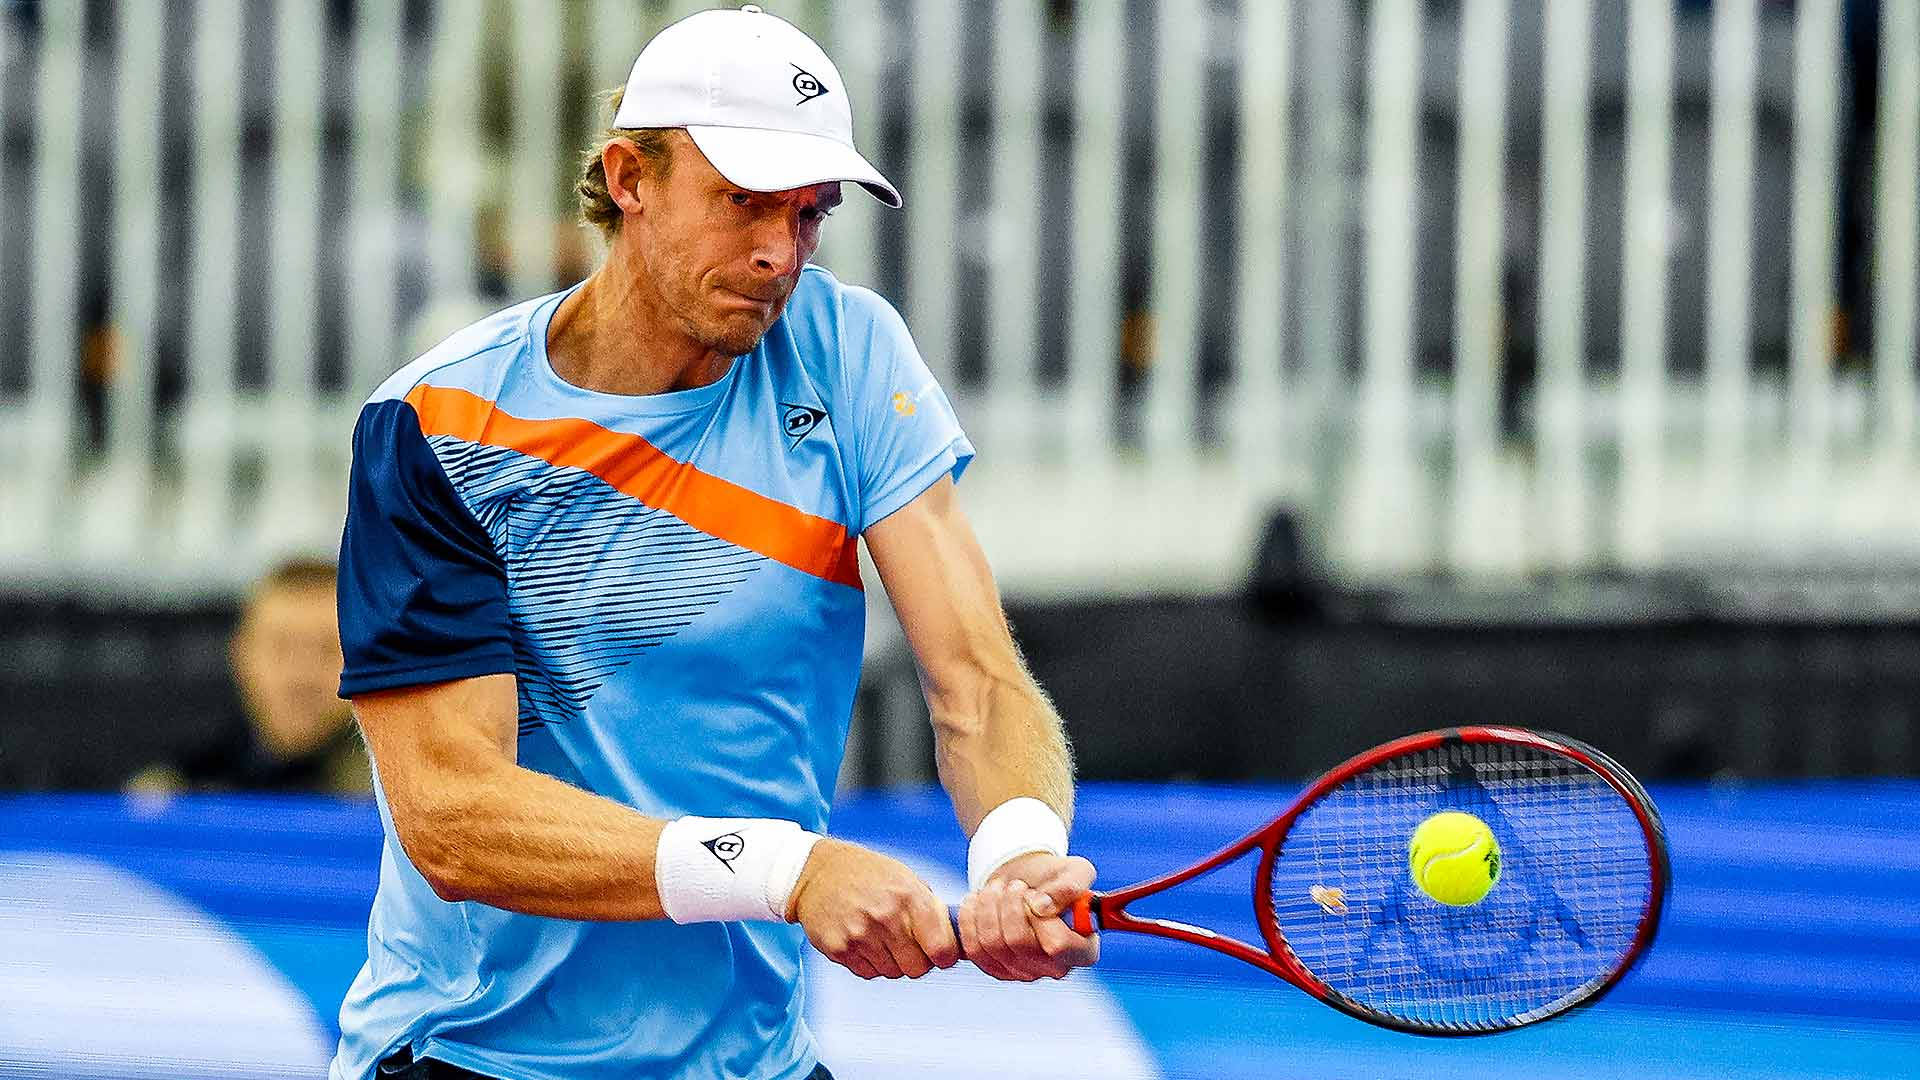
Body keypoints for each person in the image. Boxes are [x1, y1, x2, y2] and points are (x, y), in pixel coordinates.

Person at [329, 8, 1097, 1080]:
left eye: (809, 212)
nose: (780, 250)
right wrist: (787, 870)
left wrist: (1018, 852)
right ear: (629, 179)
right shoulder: (437, 424)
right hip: (472, 1058)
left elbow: (975, 678)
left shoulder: (847, 349)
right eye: (743, 200)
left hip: (752, 1060)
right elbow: (454, 818)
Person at [125, 557, 370, 796]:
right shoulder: (172, 794)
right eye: (281, 648)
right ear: (241, 654)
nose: (302, 677)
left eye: (330, 649)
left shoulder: (394, 807)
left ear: (368, 661)